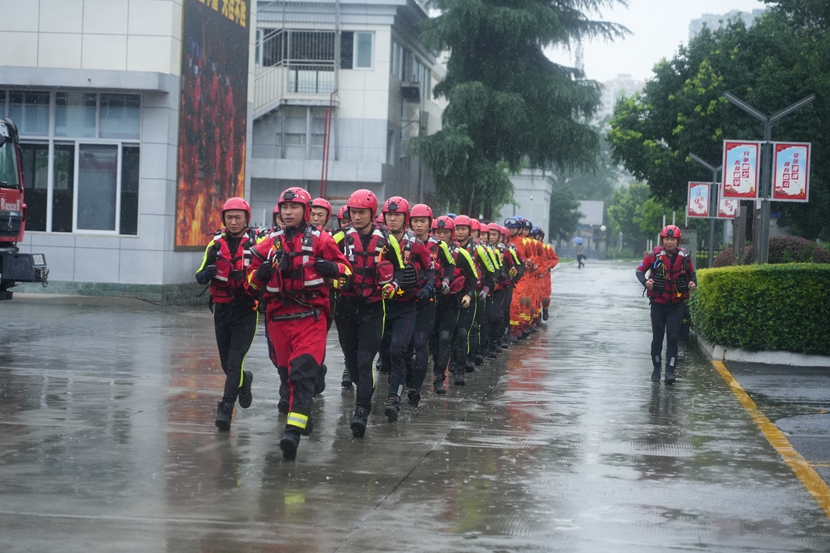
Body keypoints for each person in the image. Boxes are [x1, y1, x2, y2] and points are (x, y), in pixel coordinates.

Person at [247, 187, 352, 460]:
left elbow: (346, 271)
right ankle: (303, 416)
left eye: (294, 208)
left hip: (310, 316)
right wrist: (258, 274)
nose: (288, 212)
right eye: (284, 208)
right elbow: (249, 282)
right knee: (286, 377)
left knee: (302, 374)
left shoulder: (322, 240)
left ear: (305, 212)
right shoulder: (269, 242)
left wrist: (333, 269)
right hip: (278, 317)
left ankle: (292, 433)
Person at [332, 189, 407, 437]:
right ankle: (362, 390)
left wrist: (393, 285)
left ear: (372, 213)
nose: (357, 216)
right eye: (353, 212)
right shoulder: (339, 239)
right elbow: (326, 266)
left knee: (365, 361)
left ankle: (361, 412)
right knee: (352, 363)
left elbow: (399, 271)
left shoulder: (387, 240)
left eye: (362, 212)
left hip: (374, 309)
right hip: (345, 309)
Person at [195, 197, 259, 431]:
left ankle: (225, 408)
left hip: (246, 309)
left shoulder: (258, 243)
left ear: (246, 219)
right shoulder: (215, 245)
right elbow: (200, 273)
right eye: (229, 217)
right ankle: (245, 381)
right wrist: (206, 273)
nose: (233, 222)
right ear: (224, 219)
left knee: (234, 363)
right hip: (221, 310)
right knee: (226, 364)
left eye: (238, 217)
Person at [377, 196, 432, 420]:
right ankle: (398, 380)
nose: (392, 219)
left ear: (404, 218)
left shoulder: (416, 245)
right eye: (389, 215)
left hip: (407, 305)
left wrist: (427, 288)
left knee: (399, 350)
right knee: (385, 354)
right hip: (380, 307)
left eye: (397, 215)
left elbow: (430, 269)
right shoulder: (377, 242)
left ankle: (394, 399)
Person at [636, 225, 697, 384]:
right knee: (657, 338)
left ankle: (670, 372)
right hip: (658, 303)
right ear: (662, 240)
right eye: (666, 239)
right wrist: (646, 282)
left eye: (673, 239)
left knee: (672, 337)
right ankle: (657, 368)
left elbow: (692, 273)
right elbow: (639, 271)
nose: (669, 242)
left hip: (676, 304)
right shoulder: (654, 256)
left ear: (678, 241)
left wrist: (692, 283)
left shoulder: (684, 257)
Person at [430, 216, 477, 388]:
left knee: (454, 336)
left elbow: (473, 278)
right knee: (432, 340)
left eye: (445, 232)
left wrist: (469, 295)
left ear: (451, 235)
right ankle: (437, 368)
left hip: (455, 301)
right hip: (431, 301)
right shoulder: (426, 250)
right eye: (438, 232)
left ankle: (450, 373)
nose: (441, 236)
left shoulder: (461, 253)